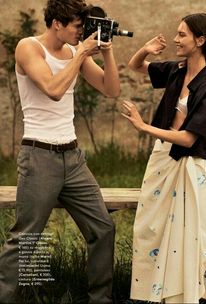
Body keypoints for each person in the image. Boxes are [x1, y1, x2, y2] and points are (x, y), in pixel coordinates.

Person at [0, 0, 120, 303]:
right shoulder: (29, 48)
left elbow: (111, 89)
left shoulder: (71, 52)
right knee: (25, 237)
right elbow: (53, 90)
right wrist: (81, 55)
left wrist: (106, 49)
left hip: (73, 157)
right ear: (57, 24)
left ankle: (100, 299)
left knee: (103, 228)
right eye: (78, 27)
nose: (83, 33)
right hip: (39, 156)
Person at [122, 13, 206, 304]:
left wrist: (144, 126)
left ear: (200, 40)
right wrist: (145, 49)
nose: (175, 39)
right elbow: (135, 67)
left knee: (204, 242)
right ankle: (160, 295)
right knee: (151, 231)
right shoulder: (176, 70)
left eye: (182, 34)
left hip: (188, 166)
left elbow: (188, 138)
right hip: (162, 161)